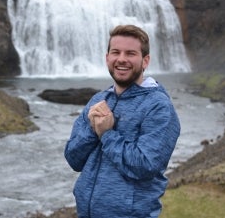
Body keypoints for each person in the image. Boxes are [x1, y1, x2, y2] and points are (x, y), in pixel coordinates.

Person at [64, 24, 180, 218]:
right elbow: (73, 159)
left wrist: (107, 134)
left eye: (131, 53)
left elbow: (146, 166)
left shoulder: (159, 107)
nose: (122, 59)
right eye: (116, 52)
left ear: (145, 61)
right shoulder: (98, 101)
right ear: (107, 58)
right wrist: (93, 131)